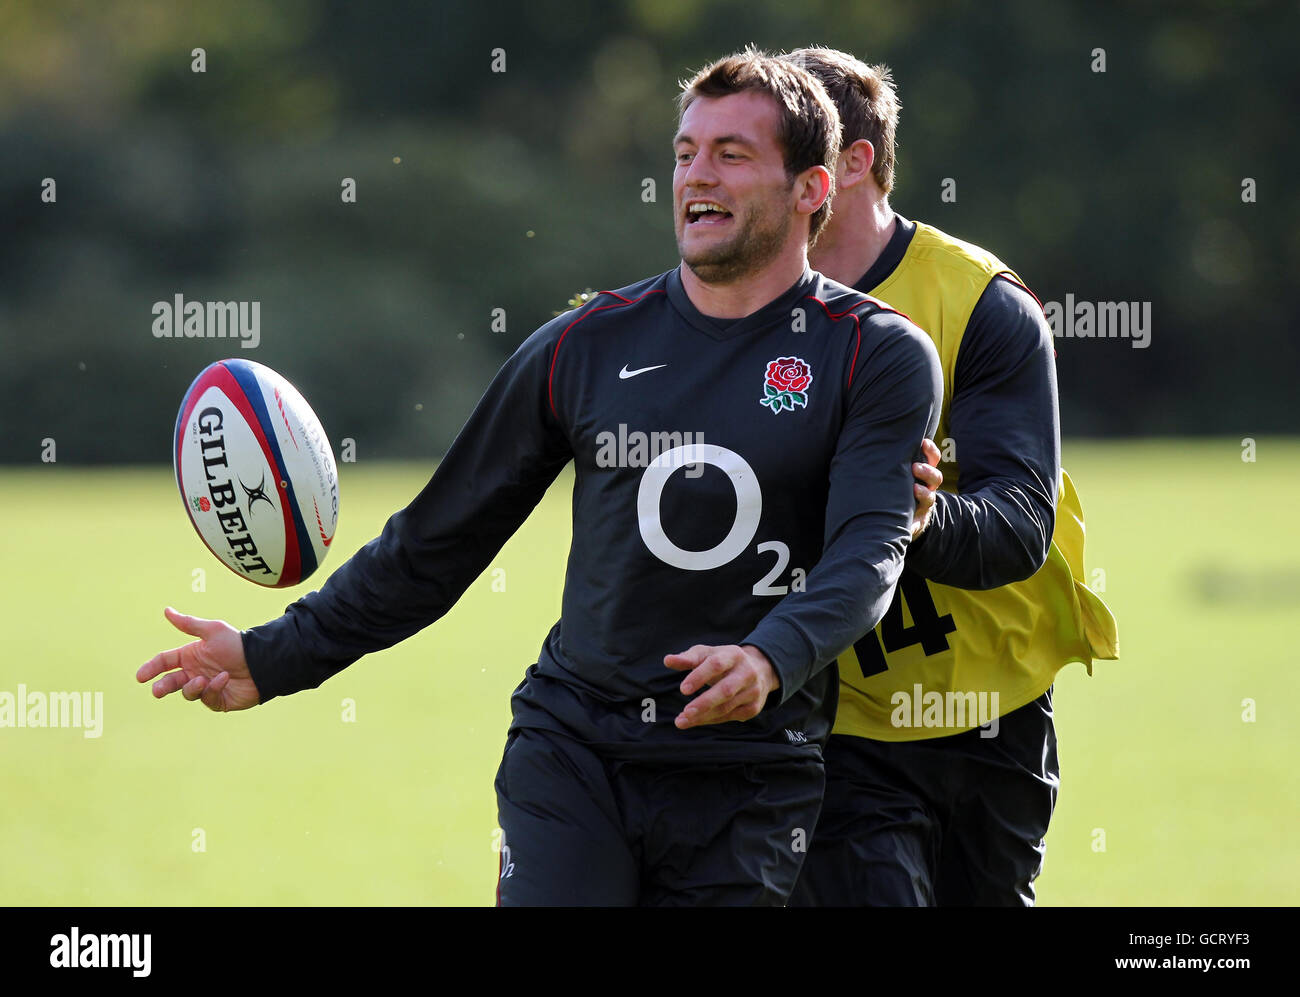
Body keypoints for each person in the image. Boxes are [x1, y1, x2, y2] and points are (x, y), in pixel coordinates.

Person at [136, 48, 944, 907]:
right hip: (575, 754)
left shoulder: (875, 354)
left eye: (730, 155)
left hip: (752, 777)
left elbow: (870, 550)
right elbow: (436, 543)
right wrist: (273, 654)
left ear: (812, 188)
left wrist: (770, 657)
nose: (694, 176)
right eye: (683, 152)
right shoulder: (585, 344)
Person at [781, 47, 1119, 907]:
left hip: (991, 703)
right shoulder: (740, 300)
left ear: (852, 163)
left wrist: (913, 518)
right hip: (838, 715)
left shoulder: (982, 303)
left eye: (784, 143)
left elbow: (1017, 522)